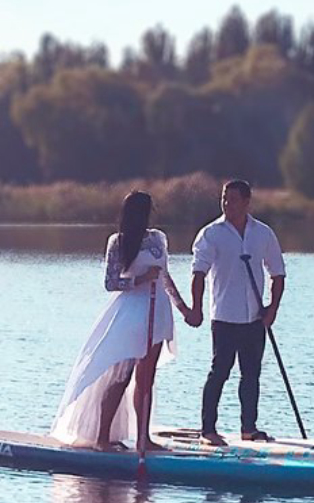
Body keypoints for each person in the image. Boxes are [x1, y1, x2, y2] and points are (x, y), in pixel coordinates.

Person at [51, 189, 197, 452]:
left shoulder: (158, 239)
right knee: (122, 377)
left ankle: (144, 438)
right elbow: (110, 282)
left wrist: (183, 308)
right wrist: (140, 279)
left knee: (146, 379)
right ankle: (102, 438)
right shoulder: (118, 242)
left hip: (158, 310)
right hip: (132, 313)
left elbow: (165, 277)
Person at [189, 179, 287, 445]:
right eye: (224, 199)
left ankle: (249, 428)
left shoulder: (263, 233)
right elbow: (199, 273)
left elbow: (278, 273)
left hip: (254, 318)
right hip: (224, 316)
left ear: (246, 202)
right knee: (219, 371)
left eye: (233, 200)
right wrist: (196, 308)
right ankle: (208, 429)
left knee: (251, 373)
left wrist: (272, 310)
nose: (227, 204)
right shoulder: (211, 234)